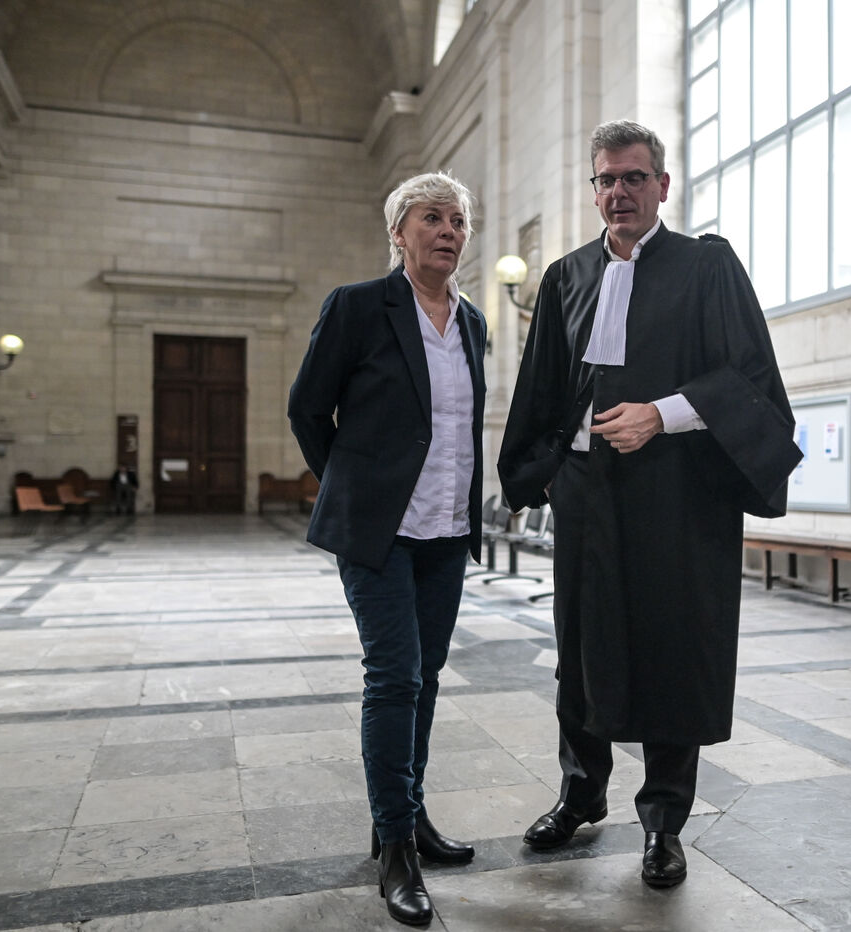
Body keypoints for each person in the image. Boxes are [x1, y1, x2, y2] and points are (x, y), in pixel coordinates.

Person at [498, 120, 801, 889]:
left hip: (678, 491)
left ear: (662, 185)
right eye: (605, 179)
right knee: (582, 647)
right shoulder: (565, 277)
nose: (619, 192)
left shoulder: (707, 266)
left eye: (634, 177)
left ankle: (664, 820)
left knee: (673, 646)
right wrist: (540, 471)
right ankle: (580, 792)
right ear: (594, 189)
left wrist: (660, 414)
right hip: (588, 495)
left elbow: (747, 377)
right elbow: (542, 387)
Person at [289, 171, 486, 927]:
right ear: (399, 233)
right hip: (382, 533)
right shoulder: (358, 306)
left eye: (458, 221)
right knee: (395, 675)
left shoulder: (473, 323)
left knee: (426, 676)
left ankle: (407, 814)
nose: (448, 231)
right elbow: (309, 408)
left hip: (447, 530)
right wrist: (354, 485)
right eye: (432, 218)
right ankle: (396, 848)